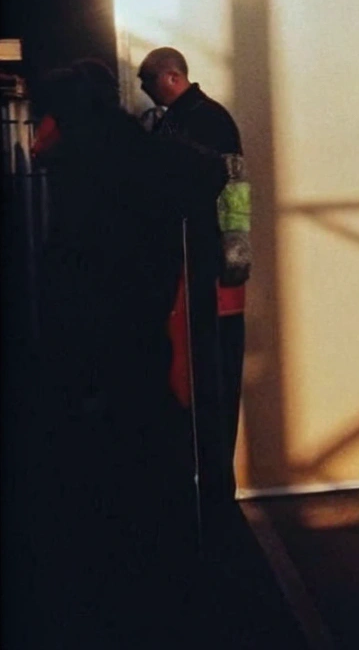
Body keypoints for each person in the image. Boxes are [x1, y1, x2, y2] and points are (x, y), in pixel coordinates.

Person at [28, 61, 226, 641]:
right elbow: (212, 173)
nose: (38, 135)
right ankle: (167, 602)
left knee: (100, 486)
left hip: (92, 357)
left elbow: (70, 276)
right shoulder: (147, 155)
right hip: (146, 343)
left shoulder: (79, 172)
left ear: (62, 118)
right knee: (152, 469)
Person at [138, 46, 248, 506]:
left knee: (209, 377)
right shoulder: (205, 119)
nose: (144, 91)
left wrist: (231, 262)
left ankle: (214, 483)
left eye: (147, 82)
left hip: (205, 268)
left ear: (168, 78)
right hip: (208, 266)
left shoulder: (193, 123)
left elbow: (232, 193)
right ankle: (214, 482)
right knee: (210, 377)